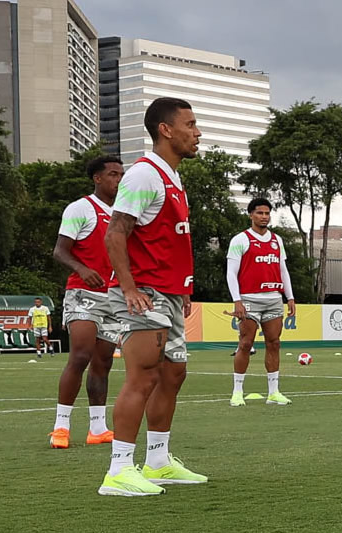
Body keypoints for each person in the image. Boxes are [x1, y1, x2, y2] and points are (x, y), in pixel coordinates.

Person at [98, 97, 206, 497]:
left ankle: (158, 462)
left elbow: (167, 241)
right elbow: (115, 233)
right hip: (144, 292)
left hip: (170, 293)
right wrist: (128, 289)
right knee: (142, 376)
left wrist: (183, 290)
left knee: (173, 374)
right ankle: (119, 470)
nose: (197, 133)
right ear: (166, 129)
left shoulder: (172, 178)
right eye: (190, 125)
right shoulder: (144, 175)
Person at [47, 155, 124, 449]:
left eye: (121, 175)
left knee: (103, 362)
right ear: (98, 178)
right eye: (113, 174)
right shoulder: (81, 208)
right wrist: (81, 268)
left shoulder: (124, 213)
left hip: (114, 297)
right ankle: (61, 427)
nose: (119, 180)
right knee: (80, 356)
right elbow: (59, 251)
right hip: (83, 293)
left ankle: (98, 428)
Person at [227, 197, 296, 406]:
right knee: (246, 343)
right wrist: (237, 300)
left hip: (274, 299)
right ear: (250, 215)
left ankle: (273, 392)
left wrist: (290, 296)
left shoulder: (277, 240)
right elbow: (231, 273)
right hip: (249, 298)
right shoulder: (240, 239)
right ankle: (237, 392)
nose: (264, 217)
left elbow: (283, 270)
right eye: (259, 213)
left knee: (274, 343)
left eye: (267, 213)